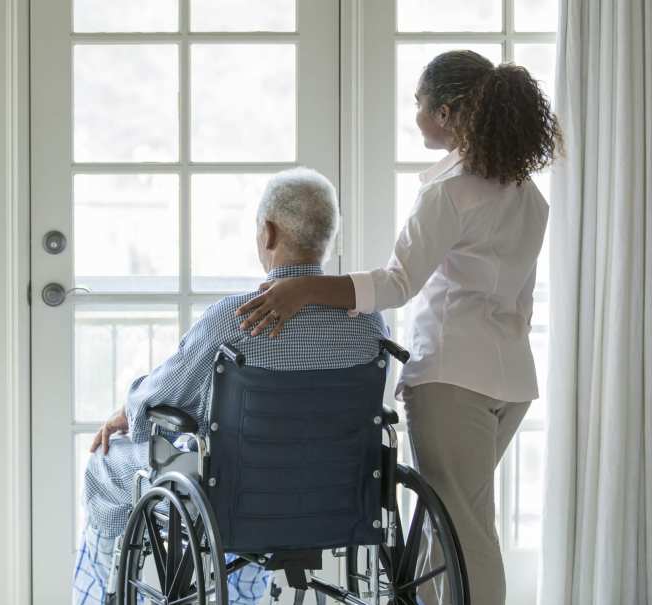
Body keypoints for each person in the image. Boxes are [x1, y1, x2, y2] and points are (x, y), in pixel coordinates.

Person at [236, 50, 561, 605]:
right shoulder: (527, 196)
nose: (415, 116)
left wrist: (305, 287)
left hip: (454, 379)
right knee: (459, 525)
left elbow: (396, 284)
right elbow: (520, 300)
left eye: (420, 103)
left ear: (449, 111)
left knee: (464, 533)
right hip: (511, 381)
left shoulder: (449, 193)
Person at [72, 167, 388, 605]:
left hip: (237, 499)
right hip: (333, 497)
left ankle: (98, 595)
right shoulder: (367, 322)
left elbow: (164, 397)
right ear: (326, 239)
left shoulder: (238, 317)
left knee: (106, 464)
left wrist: (131, 410)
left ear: (269, 232)